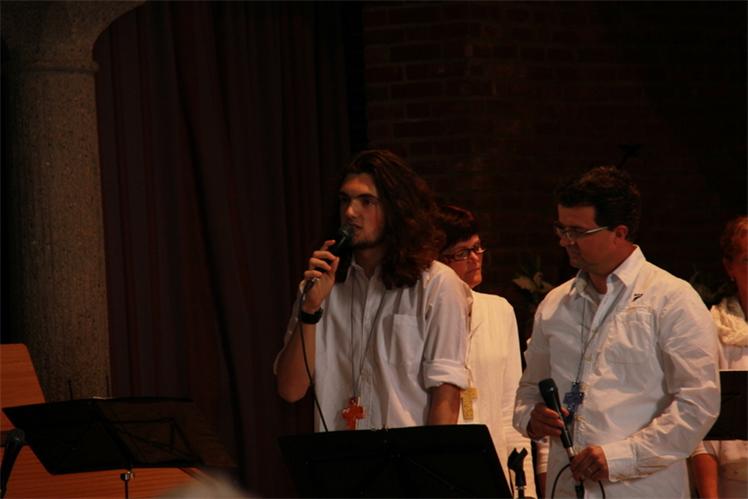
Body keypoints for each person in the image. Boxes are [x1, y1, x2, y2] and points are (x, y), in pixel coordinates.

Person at [513, 165, 720, 498]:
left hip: (639, 489)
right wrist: (532, 418)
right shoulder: (555, 304)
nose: (565, 241)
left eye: (578, 231)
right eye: (561, 229)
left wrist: (622, 457)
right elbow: (528, 390)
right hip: (566, 487)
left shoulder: (671, 299)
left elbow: (698, 404)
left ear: (619, 233)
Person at [275, 149, 471, 431]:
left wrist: (431, 459)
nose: (350, 212)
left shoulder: (437, 284)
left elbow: (446, 397)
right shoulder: (323, 285)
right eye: (345, 200)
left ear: (396, 209)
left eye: (366, 201)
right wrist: (310, 309)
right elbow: (290, 390)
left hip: (407, 456)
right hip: (340, 455)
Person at [436, 204, 536, 497]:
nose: (474, 258)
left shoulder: (498, 310)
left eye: (477, 247)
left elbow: (510, 407)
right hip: (444, 464)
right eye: (461, 253)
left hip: (493, 465)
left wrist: (525, 489)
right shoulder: (422, 314)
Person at [691, 215, 748, 499]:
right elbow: (701, 430)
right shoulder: (711, 329)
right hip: (733, 484)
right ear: (730, 267)